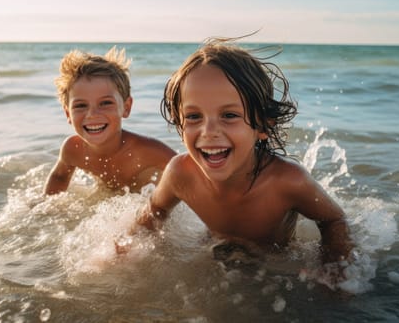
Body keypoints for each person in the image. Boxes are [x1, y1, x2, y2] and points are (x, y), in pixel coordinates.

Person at [130, 37, 353, 264]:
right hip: (213, 251)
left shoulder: (287, 181)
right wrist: (125, 250)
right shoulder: (180, 173)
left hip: (272, 263)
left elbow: (334, 221)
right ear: (180, 124)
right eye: (194, 116)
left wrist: (334, 264)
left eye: (229, 115)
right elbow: (155, 210)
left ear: (263, 125)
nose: (208, 131)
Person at [44, 47, 176, 196]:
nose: (92, 114)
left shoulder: (150, 151)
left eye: (105, 103)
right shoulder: (73, 149)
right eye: (81, 105)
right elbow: (59, 176)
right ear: (68, 113)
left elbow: (189, 172)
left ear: (126, 107)